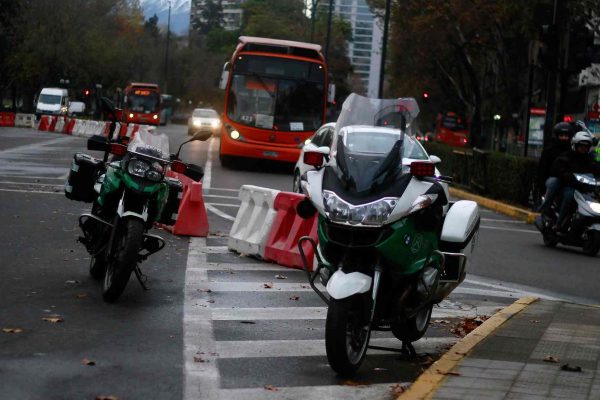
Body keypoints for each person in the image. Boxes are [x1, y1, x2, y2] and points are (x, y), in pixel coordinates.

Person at [549, 130, 600, 231]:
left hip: (585, 189)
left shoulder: (590, 159)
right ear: (575, 145)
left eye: (586, 146)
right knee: (569, 196)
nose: (583, 148)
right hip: (570, 186)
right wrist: (567, 175)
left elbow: (596, 169)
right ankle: (559, 223)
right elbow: (559, 169)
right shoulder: (566, 156)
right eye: (581, 146)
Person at [536, 122, 575, 215]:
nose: (564, 138)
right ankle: (545, 208)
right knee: (553, 183)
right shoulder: (549, 150)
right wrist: (541, 185)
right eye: (561, 135)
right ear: (556, 135)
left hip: (568, 181)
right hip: (553, 178)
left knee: (570, 195)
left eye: (566, 135)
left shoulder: (573, 151)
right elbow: (542, 169)